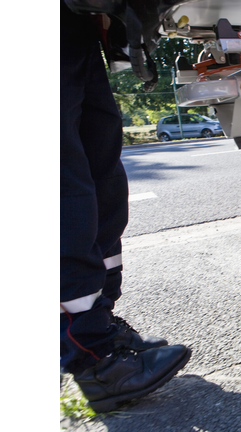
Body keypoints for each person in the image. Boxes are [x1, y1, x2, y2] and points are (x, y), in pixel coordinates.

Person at [60, 1, 190, 413]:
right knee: (61, 183)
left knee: (102, 176)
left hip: (72, 22)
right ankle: (92, 357)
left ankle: (102, 324)